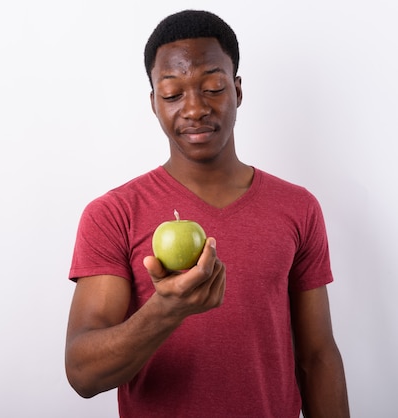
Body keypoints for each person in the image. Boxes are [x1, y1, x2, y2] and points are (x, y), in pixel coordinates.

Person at [64, 9, 350, 418]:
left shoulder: (297, 207)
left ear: (237, 90)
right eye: (172, 94)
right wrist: (167, 310)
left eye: (213, 87)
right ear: (153, 104)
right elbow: (82, 374)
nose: (194, 108)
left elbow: (318, 356)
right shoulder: (113, 214)